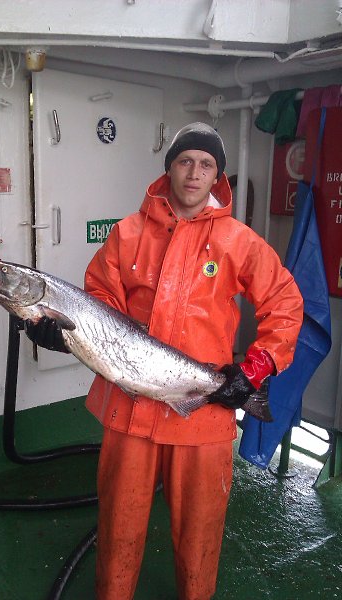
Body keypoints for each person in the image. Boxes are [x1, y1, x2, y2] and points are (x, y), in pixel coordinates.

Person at [25, 122, 303, 600]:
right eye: (185, 161)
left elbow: (286, 303)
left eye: (206, 165)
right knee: (118, 523)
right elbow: (97, 304)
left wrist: (254, 370)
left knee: (200, 529)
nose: (194, 173)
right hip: (129, 409)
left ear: (217, 176)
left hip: (204, 414)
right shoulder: (127, 233)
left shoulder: (239, 241)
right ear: (169, 168)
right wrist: (63, 333)